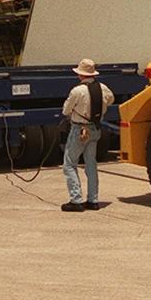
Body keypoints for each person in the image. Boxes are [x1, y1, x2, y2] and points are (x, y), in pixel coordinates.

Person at [59, 58, 114, 212]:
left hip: (79, 129)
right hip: (95, 129)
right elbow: (110, 99)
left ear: (80, 75)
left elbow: (65, 110)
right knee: (91, 164)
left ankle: (76, 199)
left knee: (69, 164)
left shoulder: (77, 91)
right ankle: (93, 200)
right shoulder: (102, 88)